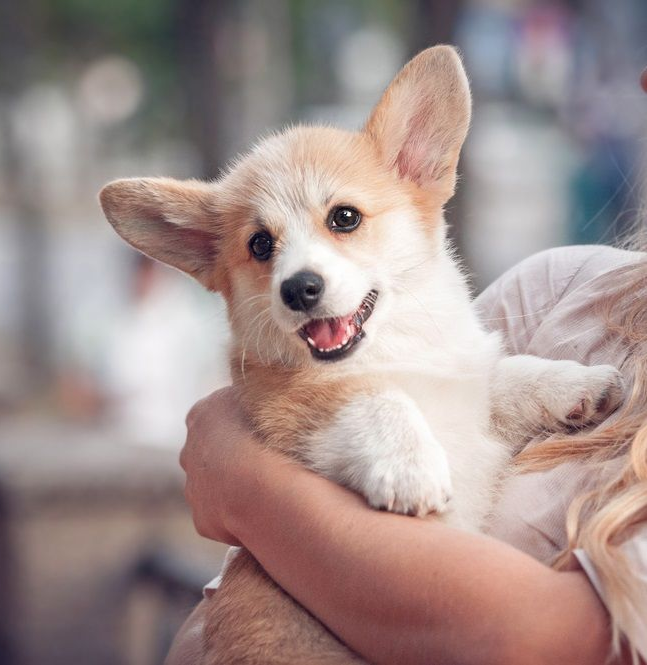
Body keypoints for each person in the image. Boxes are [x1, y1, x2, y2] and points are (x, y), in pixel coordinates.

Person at [169, 73, 647, 665]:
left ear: (415, 168)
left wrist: (240, 477)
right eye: (261, 247)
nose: (298, 272)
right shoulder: (553, 292)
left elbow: (550, 640)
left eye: (343, 218)